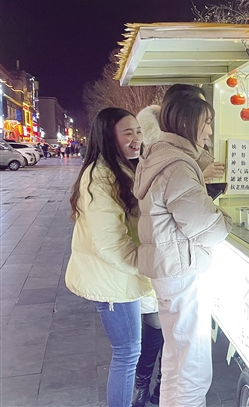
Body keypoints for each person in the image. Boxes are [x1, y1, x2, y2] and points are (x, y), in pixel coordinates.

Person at [133, 91, 232, 407]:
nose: (210, 131)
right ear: (188, 123)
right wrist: (225, 218)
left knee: (176, 358)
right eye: (207, 122)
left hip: (168, 271)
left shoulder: (158, 156)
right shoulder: (178, 166)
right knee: (193, 367)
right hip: (183, 271)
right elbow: (209, 228)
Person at [66, 107, 153, 407]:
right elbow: (110, 243)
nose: (136, 138)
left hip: (120, 276)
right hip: (113, 280)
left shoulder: (121, 168)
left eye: (138, 131)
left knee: (133, 348)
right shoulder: (100, 177)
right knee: (127, 352)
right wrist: (145, 263)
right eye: (128, 133)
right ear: (107, 137)